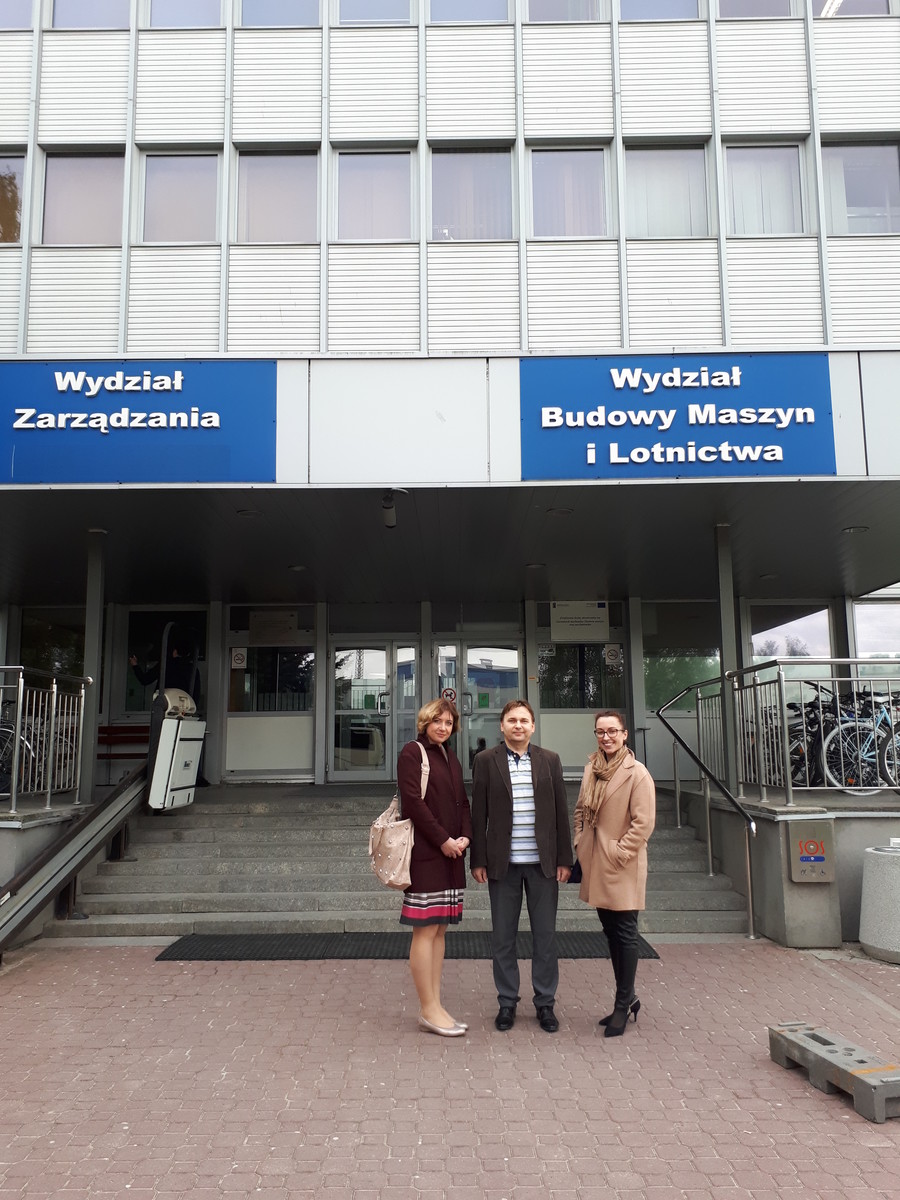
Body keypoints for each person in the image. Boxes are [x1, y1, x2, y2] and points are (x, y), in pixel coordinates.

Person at [471, 699, 573, 1034]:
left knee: (545, 937)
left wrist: (564, 859)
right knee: (503, 938)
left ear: (532, 726)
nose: (518, 725)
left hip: (543, 865)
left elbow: (560, 811)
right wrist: (478, 859)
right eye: (512, 720)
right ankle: (507, 1002)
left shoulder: (550, 760)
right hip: (503, 865)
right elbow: (478, 814)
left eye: (524, 720)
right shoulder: (485, 761)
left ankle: (545, 1003)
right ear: (502, 726)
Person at [573, 709, 656, 1038]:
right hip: (595, 860)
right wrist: (579, 841)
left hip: (622, 864)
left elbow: (643, 823)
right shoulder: (592, 768)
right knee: (610, 931)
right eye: (600, 732)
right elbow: (581, 809)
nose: (605, 737)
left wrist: (619, 852)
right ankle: (629, 997)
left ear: (624, 734)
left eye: (612, 731)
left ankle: (623, 1005)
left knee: (625, 932)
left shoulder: (637, 773)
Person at [397, 698, 472, 1038]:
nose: (443, 727)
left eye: (448, 722)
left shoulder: (450, 756)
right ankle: (427, 1009)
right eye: (437, 721)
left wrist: (466, 837)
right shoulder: (413, 753)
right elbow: (413, 803)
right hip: (427, 855)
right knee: (425, 931)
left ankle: (436, 1006)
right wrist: (443, 840)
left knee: (440, 929)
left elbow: (462, 802)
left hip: (452, 855)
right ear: (425, 722)